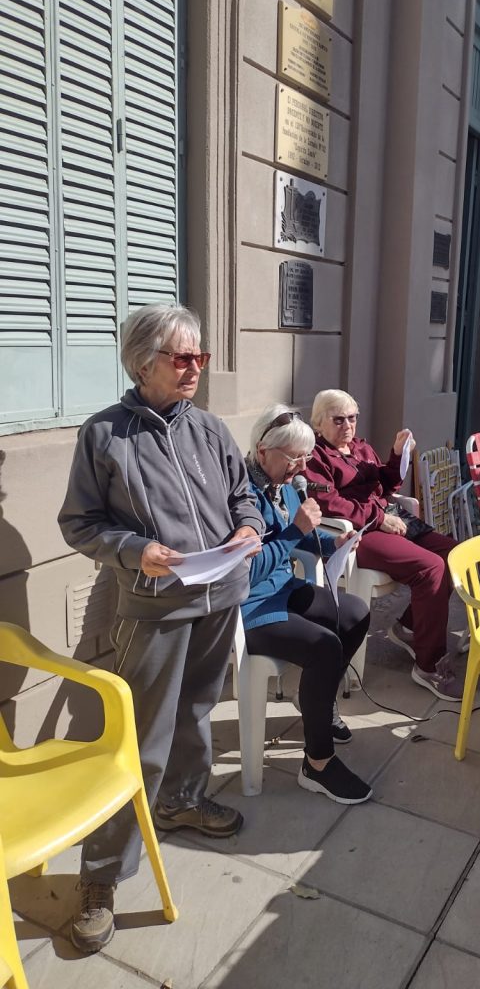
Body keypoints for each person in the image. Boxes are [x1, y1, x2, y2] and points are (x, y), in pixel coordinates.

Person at [58, 304, 265, 955]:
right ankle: (101, 878)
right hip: (155, 606)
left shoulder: (209, 427)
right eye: (182, 357)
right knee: (139, 740)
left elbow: (244, 495)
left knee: (197, 711)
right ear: (143, 362)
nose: (195, 368)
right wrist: (133, 550)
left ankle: (182, 800)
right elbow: (80, 524)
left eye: (201, 356)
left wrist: (250, 526)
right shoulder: (105, 435)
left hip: (220, 595)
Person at [242, 405, 372, 805]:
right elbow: (246, 572)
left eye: (306, 457)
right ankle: (317, 764)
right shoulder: (241, 497)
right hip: (251, 607)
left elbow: (293, 536)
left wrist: (333, 543)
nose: (302, 468)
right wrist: (295, 529)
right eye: (294, 458)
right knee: (324, 647)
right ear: (263, 451)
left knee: (354, 615)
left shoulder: (280, 483)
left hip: (283, 589)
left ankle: (318, 700)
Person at [305, 389, 462, 701]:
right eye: (338, 420)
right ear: (318, 423)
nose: (348, 425)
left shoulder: (360, 448)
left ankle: (409, 627)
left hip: (388, 516)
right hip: (358, 532)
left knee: (453, 553)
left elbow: (386, 484)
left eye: (352, 418)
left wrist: (397, 455)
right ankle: (428, 665)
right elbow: (329, 504)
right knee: (431, 567)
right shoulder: (315, 457)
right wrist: (378, 518)